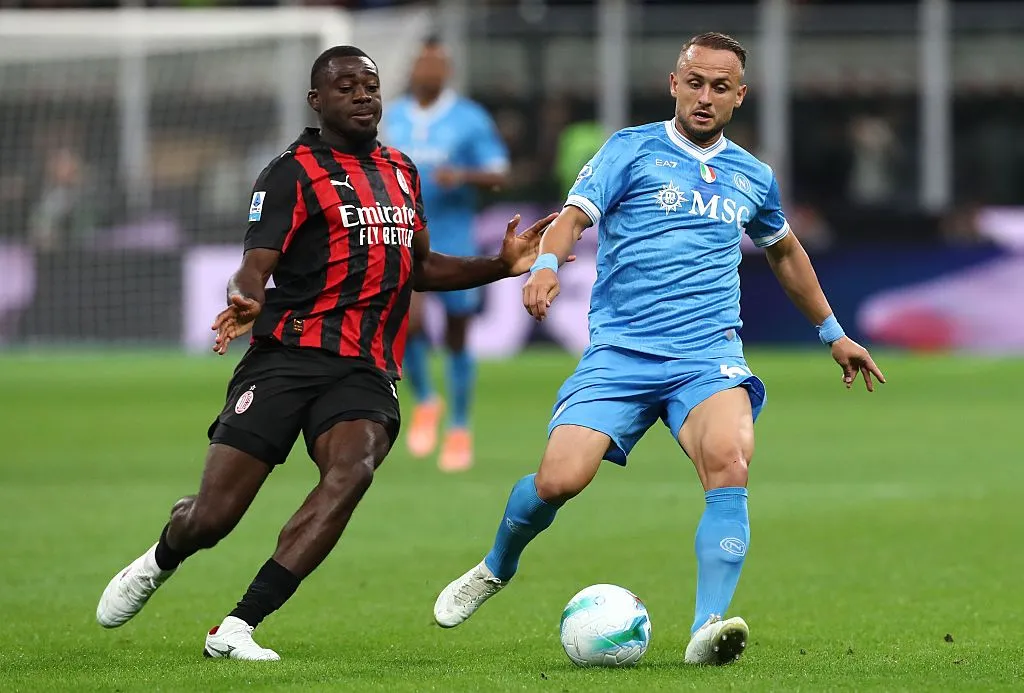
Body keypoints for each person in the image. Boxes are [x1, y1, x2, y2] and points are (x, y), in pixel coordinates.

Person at [432, 32, 886, 666]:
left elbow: (784, 250)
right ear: (675, 84)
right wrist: (546, 266)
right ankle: (495, 566)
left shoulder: (752, 175)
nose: (705, 97)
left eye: (719, 88)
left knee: (730, 462)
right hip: (622, 352)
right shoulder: (631, 150)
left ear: (739, 96)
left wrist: (833, 333)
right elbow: (573, 216)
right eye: (694, 83)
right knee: (561, 480)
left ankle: (708, 626)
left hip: (708, 355)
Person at [94, 45, 557, 662]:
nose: (363, 95)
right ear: (317, 101)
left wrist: (499, 266)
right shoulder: (290, 172)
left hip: (364, 367)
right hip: (286, 355)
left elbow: (418, 267)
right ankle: (161, 557)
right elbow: (253, 267)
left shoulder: (400, 169)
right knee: (213, 518)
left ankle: (237, 625)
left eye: (369, 84)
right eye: (346, 86)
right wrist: (246, 299)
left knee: (353, 468)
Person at [381, 37, 510, 472]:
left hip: (454, 238)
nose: (428, 71)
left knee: (456, 335)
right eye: (422, 63)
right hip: (401, 235)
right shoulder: (392, 115)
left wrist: (464, 175)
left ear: (447, 70)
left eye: (436, 64)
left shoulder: (469, 119)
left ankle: (458, 427)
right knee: (408, 321)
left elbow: (499, 172)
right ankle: (427, 400)